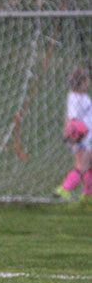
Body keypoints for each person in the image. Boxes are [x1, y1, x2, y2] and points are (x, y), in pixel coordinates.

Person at [55, 67, 92, 200]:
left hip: (84, 138)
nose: (89, 83)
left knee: (86, 165)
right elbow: (72, 119)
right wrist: (70, 134)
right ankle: (64, 189)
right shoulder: (76, 98)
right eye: (87, 80)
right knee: (82, 166)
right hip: (83, 139)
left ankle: (88, 195)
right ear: (81, 83)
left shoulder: (79, 96)